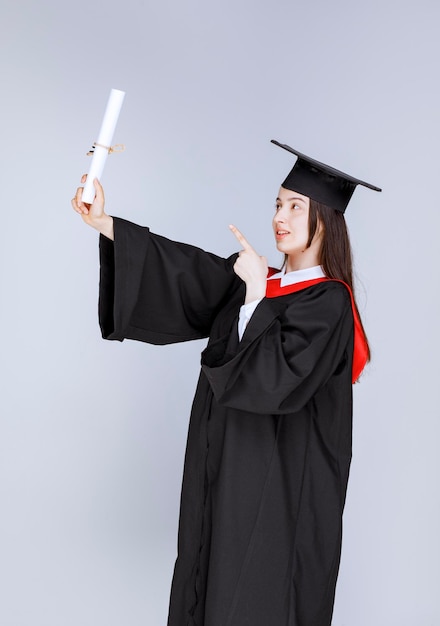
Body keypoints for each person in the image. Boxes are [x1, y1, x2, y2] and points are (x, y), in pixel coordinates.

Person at [71, 140, 381, 626]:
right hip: (224, 484)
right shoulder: (260, 282)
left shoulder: (330, 304)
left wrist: (257, 295)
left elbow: (278, 379)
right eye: (278, 203)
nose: (281, 215)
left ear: (325, 218)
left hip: (278, 504)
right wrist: (104, 224)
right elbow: (184, 272)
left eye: (296, 206)